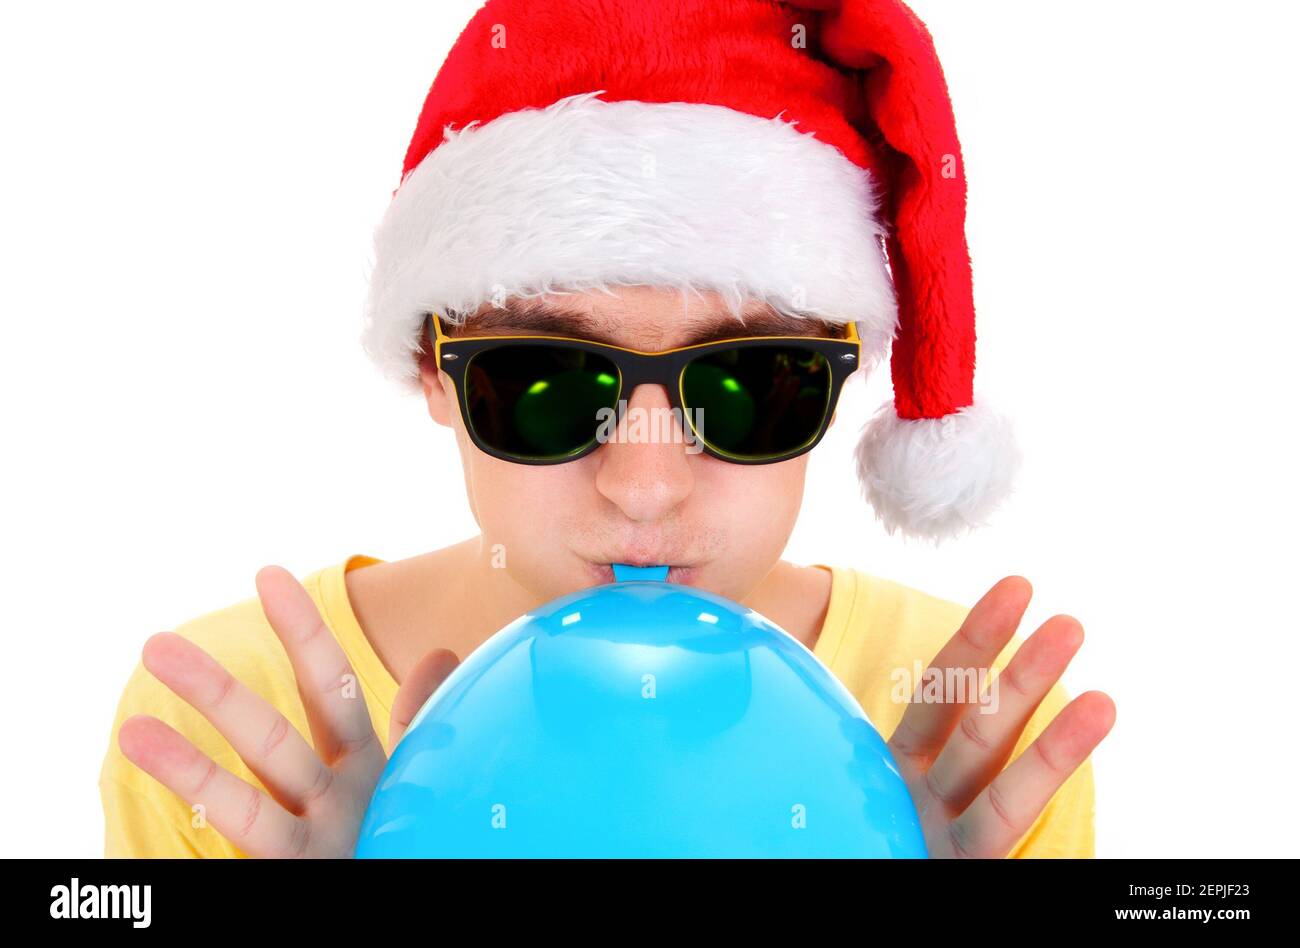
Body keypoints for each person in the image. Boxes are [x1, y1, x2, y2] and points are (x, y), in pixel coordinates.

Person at [99, 0, 1116, 858]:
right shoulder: (230, 729)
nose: (645, 487)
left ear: (837, 386)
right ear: (433, 372)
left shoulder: (968, 738)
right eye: (539, 380)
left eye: (752, 384)